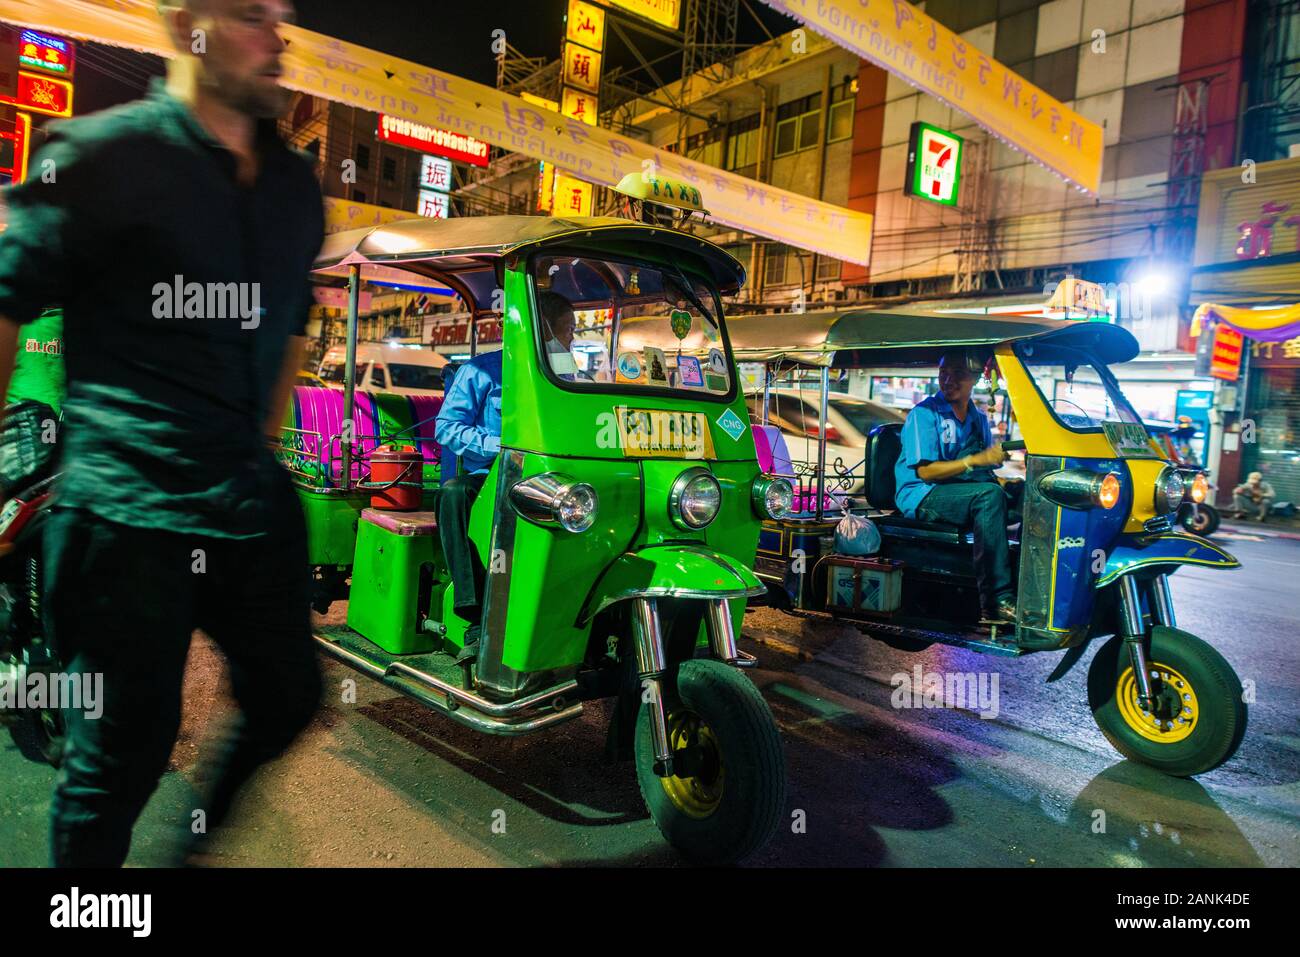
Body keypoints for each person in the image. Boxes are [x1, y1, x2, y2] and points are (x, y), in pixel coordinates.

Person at [0, 0, 324, 866]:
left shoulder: (296, 186)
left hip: (246, 499)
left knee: (291, 694)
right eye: (253, 16)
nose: (279, 37)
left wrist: (261, 440)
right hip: (123, 512)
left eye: (282, 18)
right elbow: (6, 299)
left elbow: (291, 319)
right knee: (121, 756)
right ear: (192, 31)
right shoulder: (102, 156)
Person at [894, 350, 1016, 622]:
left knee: (1024, 495)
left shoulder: (978, 419)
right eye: (943, 373)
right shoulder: (924, 414)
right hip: (922, 495)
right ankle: (997, 601)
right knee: (989, 497)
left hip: (959, 491)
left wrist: (1005, 478)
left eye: (958, 373)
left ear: (975, 377)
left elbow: (980, 470)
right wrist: (978, 459)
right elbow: (927, 472)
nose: (948, 380)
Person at [434, 347, 503, 662]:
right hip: (487, 475)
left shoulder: (562, 372)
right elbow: (446, 427)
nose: (569, 337)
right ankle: (476, 617)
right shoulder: (480, 370)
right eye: (566, 327)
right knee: (453, 494)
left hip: (544, 473)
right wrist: (500, 447)